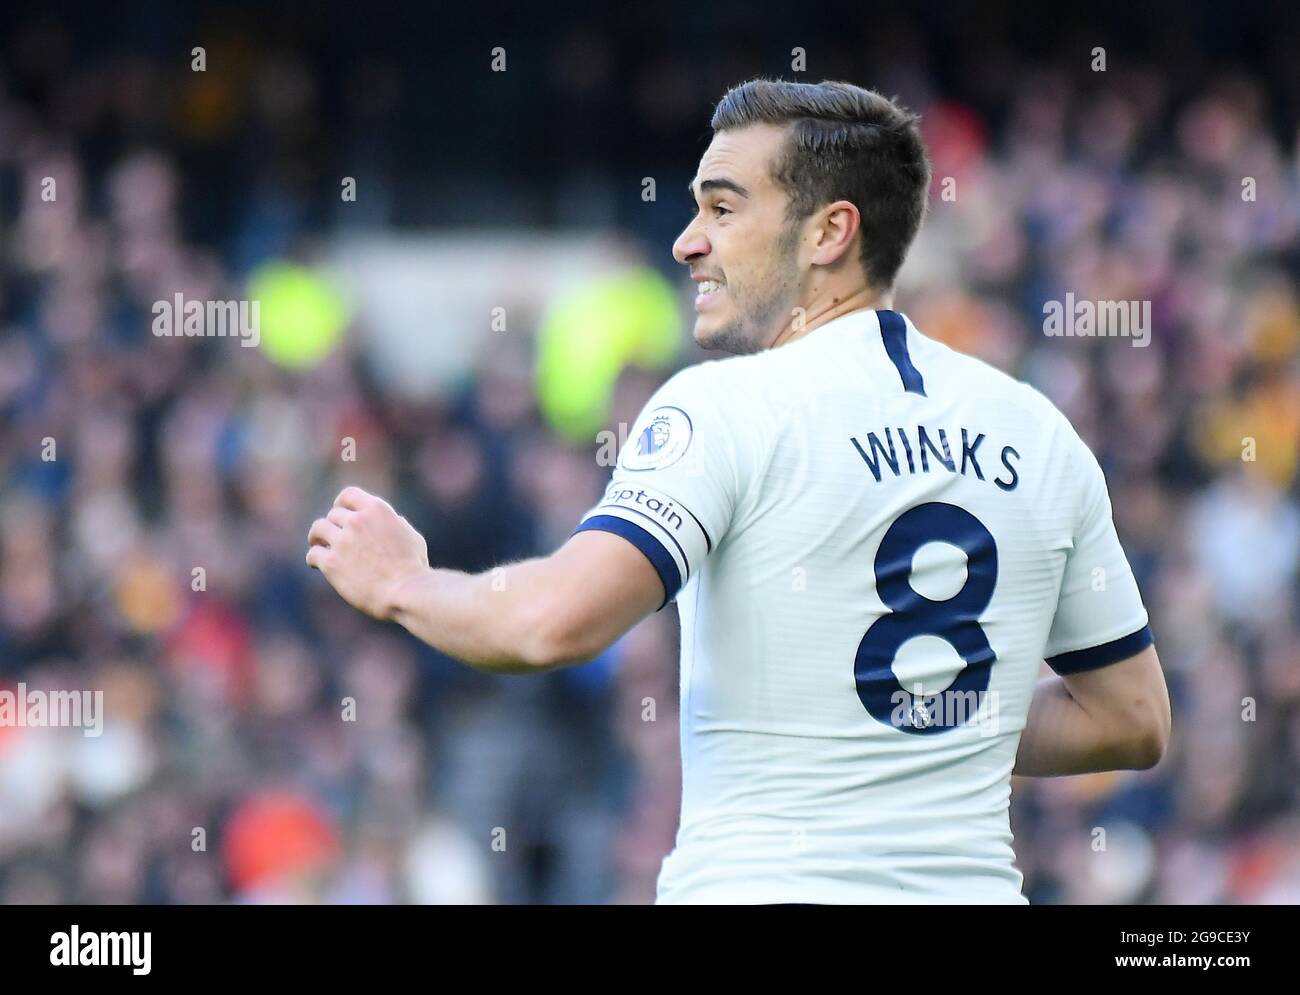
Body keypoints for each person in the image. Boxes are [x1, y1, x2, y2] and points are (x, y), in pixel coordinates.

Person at [306, 78, 1171, 904]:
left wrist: (405, 584)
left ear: (829, 232)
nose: (687, 240)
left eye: (722, 208)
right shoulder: (1038, 431)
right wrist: (922, 722)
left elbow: (551, 622)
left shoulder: (724, 406)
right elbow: (1130, 717)